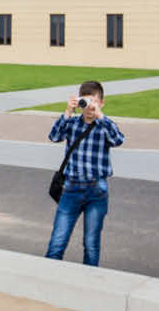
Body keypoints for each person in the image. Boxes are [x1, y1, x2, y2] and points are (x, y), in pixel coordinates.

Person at [44, 81, 125, 267]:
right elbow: (54, 137)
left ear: (101, 103)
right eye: (85, 102)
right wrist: (67, 112)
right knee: (58, 241)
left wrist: (101, 116)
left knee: (91, 244)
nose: (89, 107)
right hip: (71, 187)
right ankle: (48, 277)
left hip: (97, 190)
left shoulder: (104, 125)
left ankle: (90, 280)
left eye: (93, 102)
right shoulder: (72, 124)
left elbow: (118, 139)